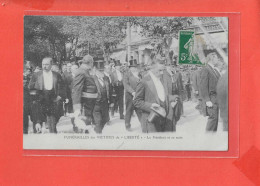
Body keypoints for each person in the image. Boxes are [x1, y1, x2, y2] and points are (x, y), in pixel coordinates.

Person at [133, 55, 182, 133]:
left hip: (165, 119)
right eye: (160, 70)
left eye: (163, 70)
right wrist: (151, 105)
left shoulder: (162, 80)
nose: (162, 73)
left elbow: (163, 96)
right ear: (152, 69)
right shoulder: (144, 82)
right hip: (151, 120)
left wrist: (173, 99)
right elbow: (137, 102)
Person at [28, 57, 65, 133]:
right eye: (43, 64)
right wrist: (34, 99)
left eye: (47, 64)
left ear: (51, 65)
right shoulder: (36, 75)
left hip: (52, 102)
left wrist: (60, 96)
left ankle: (53, 140)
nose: (44, 66)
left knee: (52, 126)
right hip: (39, 102)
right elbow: (31, 88)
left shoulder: (56, 75)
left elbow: (63, 87)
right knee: (37, 124)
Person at [72, 55, 98, 133]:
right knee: (85, 122)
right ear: (90, 62)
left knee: (88, 121)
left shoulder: (86, 71)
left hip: (89, 102)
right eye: (92, 62)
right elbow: (77, 90)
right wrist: (77, 107)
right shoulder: (81, 71)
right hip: (85, 102)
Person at [199, 52, 221, 132]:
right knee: (212, 119)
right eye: (216, 58)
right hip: (211, 98)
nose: (217, 60)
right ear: (212, 59)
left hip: (215, 98)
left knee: (215, 119)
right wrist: (207, 100)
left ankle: (212, 139)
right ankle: (208, 139)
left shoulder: (213, 69)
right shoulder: (206, 69)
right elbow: (203, 86)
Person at [123, 59, 142, 130]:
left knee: (139, 110)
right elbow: (126, 85)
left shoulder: (139, 74)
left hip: (138, 96)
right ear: (130, 68)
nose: (134, 68)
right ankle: (127, 125)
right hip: (130, 96)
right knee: (129, 111)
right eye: (133, 67)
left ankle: (143, 124)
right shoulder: (126, 74)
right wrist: (133, 92)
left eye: (135, 67)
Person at [91, 67, 111, 133]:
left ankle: (97, 129)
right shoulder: (91, 79)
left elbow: (110, 90)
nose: (101, 72)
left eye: (102, 71)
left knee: (105, 119)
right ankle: (99, 134)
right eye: (99, 71)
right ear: (95, 71)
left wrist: (111, 101)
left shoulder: (106, 78)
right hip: (95, 103)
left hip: (105, 103)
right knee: (98, 121)